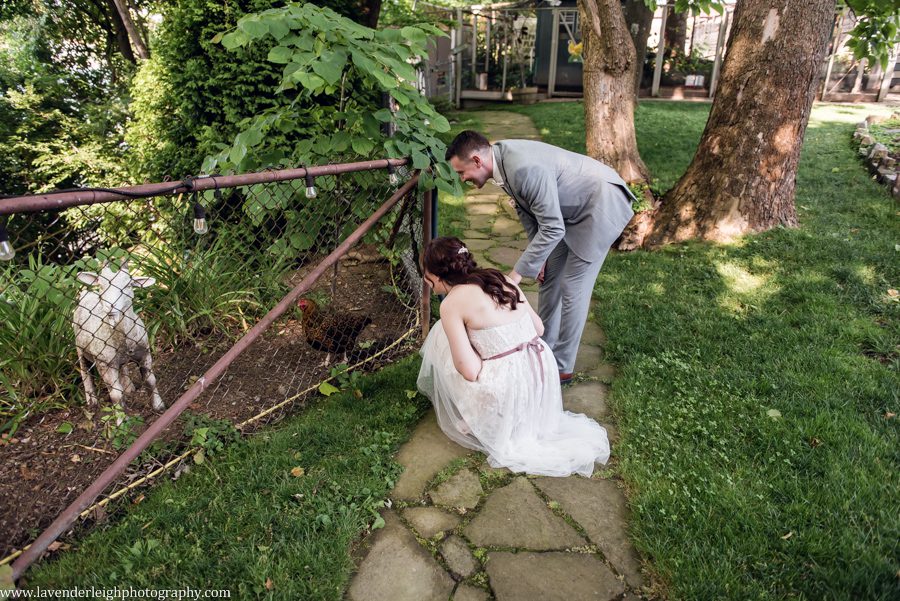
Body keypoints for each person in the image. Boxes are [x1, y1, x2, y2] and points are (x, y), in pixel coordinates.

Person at [445, 131, 635, 384]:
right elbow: (530, 212)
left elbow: (553, 227)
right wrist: (539, 259)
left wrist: (515, 276)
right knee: (549, 279)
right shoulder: (500, 161)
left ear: (477, 161)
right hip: (565, 212)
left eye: (461, 172)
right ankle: (544, 347)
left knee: (573, 285)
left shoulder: (523, 168)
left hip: (600, 204)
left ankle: (562, 366)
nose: (462, 178)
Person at [416, 236, 610, 477]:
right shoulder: (501, 279)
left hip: (507, 384)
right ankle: (504, 412)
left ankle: (479, 414)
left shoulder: (452, 304)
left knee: (441, 339)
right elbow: (539, 329)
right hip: (540, 369)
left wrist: (479, 351)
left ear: (434, 276)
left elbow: (468, 370)